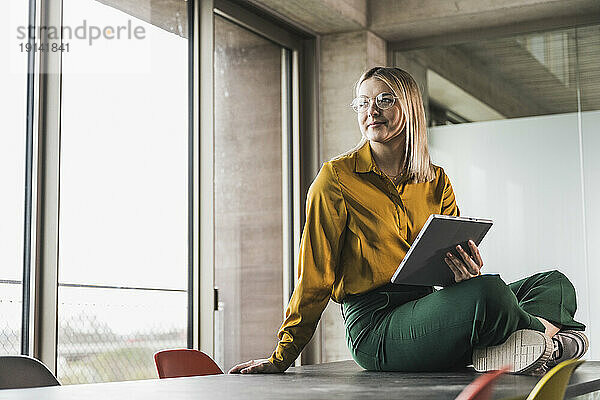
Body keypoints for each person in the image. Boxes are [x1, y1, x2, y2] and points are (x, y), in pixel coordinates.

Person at [229, 67, 588, 375]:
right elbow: (314, 278)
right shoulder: (335, 179)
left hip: (431, 310)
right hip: (377, 326)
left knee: (554, 284)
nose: (371, 111)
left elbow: (450, 268)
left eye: (384, 99)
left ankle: (522, 344)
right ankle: (547, 343)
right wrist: (283, 356)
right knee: (490, 293)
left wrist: (463, 272)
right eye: (362, 102)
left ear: (410, 108)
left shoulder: (436, 179)